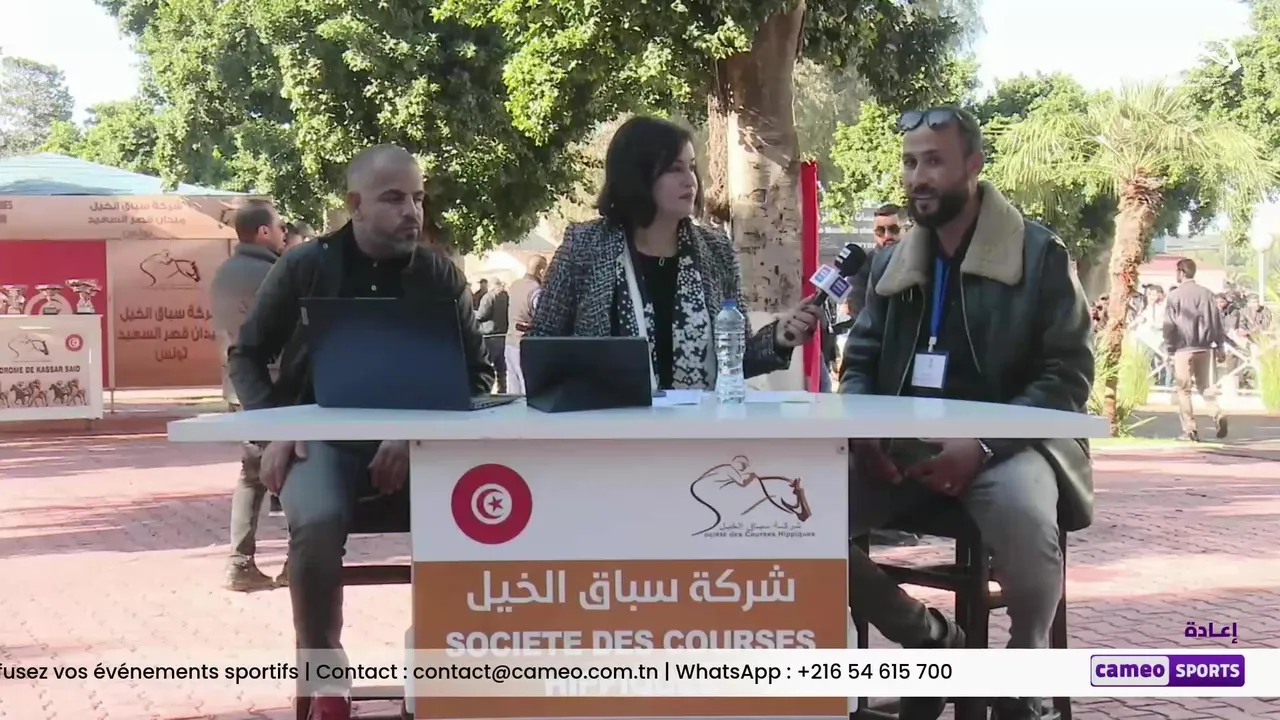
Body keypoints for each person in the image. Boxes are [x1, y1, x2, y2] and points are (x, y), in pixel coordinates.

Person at [840, 106, 1093, 720]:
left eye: (933, 161)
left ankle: (1021, 677)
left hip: (1008, 446)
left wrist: (981, 445)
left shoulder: (1039, 254)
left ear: (974, 166)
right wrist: (863, 430)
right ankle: (931, 641)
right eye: (910, 162)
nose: (918, 177)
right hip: (900, 449)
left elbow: (1067, 377)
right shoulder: (890, 262)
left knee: (1029, 527)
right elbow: (860, 363)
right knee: (792, 524)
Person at [227, 145, 493, 720]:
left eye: (418, 198)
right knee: (317, 526)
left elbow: (478, 374)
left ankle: (451, 667)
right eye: (394, 199)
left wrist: (411, 433)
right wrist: (278, 427)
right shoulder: (304, 266)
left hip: (421, 449)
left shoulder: (439, 274)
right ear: (355, 204)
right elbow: (245, 356)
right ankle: (327, 678)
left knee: (487, 518)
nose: (412, 212)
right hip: (317, 442)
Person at [527, 115, 819, 392]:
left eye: (691, 167)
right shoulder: (584, 246)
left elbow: (737, 358)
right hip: (608, 422)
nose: (690, 180)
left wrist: (781, 336)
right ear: (637, 175)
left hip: (697, 425)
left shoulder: (716, 250)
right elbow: (541, 347)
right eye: (675, 169)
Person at [210, 199, 288, 592]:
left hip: (239, 388)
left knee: (252, 476)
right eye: (279, 226)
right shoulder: (272, 274)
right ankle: (297, 562)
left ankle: (240, 563)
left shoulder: (224, 273)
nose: (284, 233)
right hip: (274, 390)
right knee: (293, 472)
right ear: (263, 231)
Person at [1163, 258, 1227, 442]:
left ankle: (1190, 429)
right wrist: (1220, 345)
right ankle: (1217, 414)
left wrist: (1169, 348)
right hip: (1205, 347)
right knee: (1204, 387)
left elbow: (1169, 325)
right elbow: (1217, 322)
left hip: (1183, 348)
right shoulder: (1207, 294)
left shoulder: (1175, 296)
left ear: (1181, 272)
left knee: (1184, 390)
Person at [847, 203, 904, 317]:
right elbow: (857, 311)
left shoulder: (921, 259)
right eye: (880, 231)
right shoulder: (862, 267)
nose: (887, 236)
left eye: (894, 229)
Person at [505, 256, 547, 393]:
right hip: (525, 345)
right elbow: (542, 319)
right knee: (527, 392)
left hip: (510, 342)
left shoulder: (514, 285)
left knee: (513, 392)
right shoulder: (536, 290)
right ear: (541, 271)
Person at [476, 278, 510, 392]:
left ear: (490, 285)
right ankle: (503, 391)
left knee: (487, 366)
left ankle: (486, 392)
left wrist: (473, 314)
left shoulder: (489, 297)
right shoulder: (507, 296)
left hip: (490, 336)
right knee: (502, 369)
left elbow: (482, 315)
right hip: (504, 335)